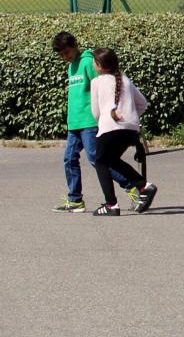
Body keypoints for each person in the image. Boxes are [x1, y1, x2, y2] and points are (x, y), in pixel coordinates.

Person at [52, 32, 138, 213]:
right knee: (69, 158)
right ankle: (75, 200)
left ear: (75, 45)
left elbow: (104, 85)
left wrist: (105, 116)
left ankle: (131, 185)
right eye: (61, 55)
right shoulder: (71, 66)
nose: (65, 57)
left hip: (89, 121)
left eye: (67, 52)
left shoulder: (89, 62)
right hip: (74, 122)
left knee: (96, 159)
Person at [89, 48, 158, 216]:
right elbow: (143, 103)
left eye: (94, 62)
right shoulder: (125, 80)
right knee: (111, 160)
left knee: (100, 162)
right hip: (131, 129)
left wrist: (107, 120)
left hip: (109, 128)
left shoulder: (97, 82)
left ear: (99, 66)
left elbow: (96, 113)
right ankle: (143, 186)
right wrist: (131, 116)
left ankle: (111, 204)